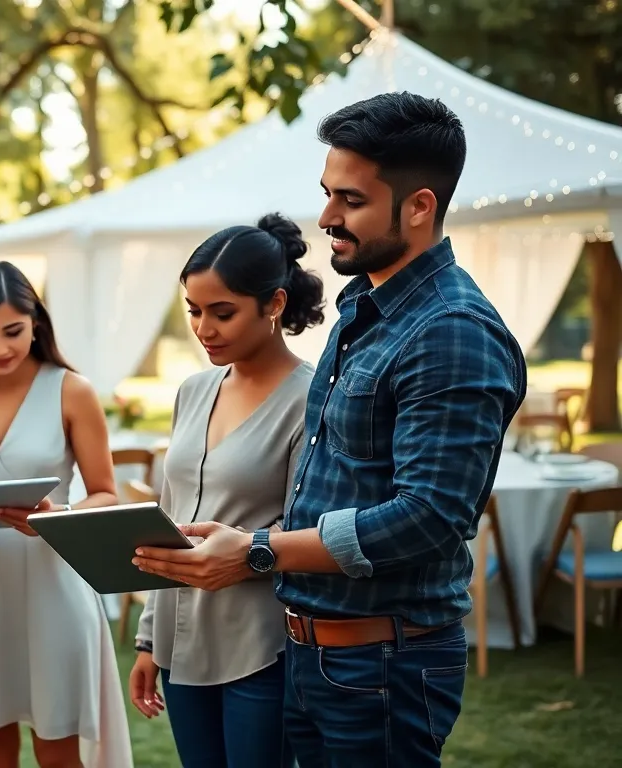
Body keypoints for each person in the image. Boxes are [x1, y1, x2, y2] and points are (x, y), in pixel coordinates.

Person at [131, 93, 528, 766]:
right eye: (327, 194)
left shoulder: (452, 330)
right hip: (312, 657)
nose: (326, 218)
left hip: (383, 663)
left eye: (350, 200)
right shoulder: (360, 314)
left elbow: (429, 515)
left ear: (420, 206)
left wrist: (257, 552)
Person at [128, 213, 322, 768]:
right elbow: (167, 516)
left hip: (260, 646)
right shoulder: (192, 391)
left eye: (222, 312)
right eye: (193, 310)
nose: (203, 328)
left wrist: (252, 549)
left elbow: (312, 526)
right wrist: (148, 639)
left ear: (275, 304)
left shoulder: (310, 400)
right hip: (177, 640)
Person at [0, 260, 133, 768]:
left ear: (36, 322)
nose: (0, 348)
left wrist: (57, 515)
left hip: (52, 582)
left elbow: (106, 494)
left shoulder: (71, 390)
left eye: (13, 331)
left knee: (59, 748)